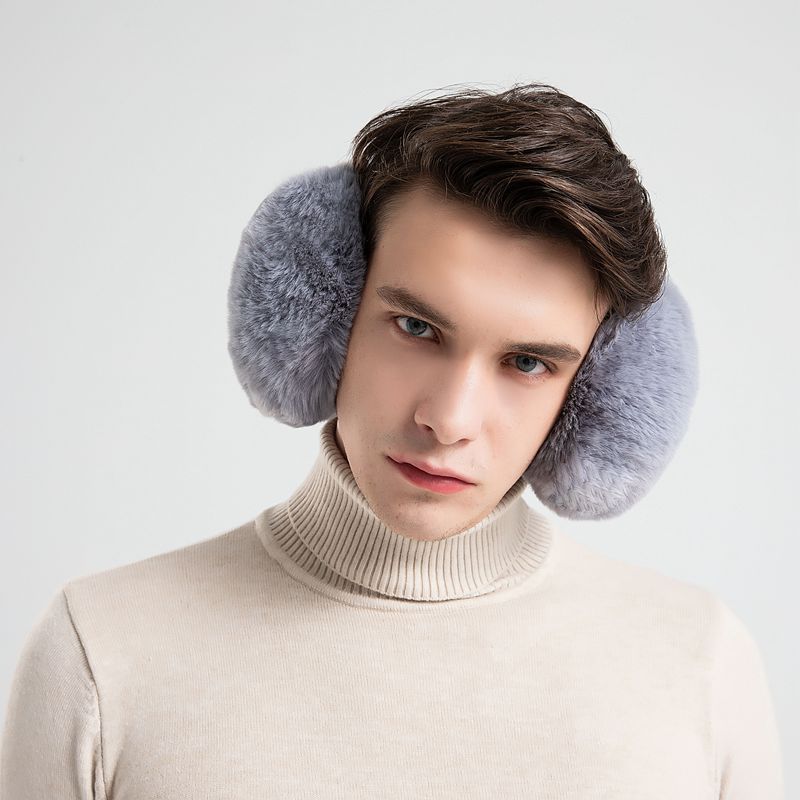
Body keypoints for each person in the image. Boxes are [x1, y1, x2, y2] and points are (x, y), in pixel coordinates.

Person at [0, 83, 784, 799]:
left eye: (527, 363)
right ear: (327, 312)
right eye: (416, 327)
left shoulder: (700, 666)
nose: (450, 419)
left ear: (596, 393)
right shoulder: (101, 653)